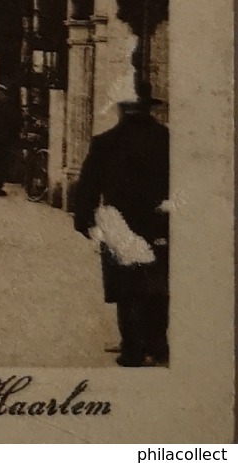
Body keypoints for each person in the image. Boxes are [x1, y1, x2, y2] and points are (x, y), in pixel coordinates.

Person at [68, 78, 169, 366]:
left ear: (122, 108)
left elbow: (88, 187)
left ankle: (132, 349)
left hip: (118, 222)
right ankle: (157, 342)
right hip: (158, 222)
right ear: (148, 108)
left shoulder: (105, 143)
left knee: (127, 286)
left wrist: (84, 220)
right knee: (156, 282)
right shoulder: (166, 139)